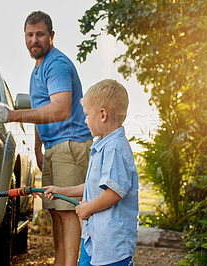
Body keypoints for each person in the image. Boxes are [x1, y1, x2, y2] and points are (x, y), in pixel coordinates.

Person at [0, 10, 93, 266]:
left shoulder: (56, 65)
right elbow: (41, 110)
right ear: (24, 37)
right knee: (56, 211)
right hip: (55, 147)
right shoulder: (38, 69)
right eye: (30, 35)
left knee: (69, 213)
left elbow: (60, 109)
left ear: (51, 36)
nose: (35, 40)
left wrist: (11, 115)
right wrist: (37, 147)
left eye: (40, 34)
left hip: (72, 144)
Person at [44, 79, 139, 266]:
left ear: (102, 114)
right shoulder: (102, 146)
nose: (85, 120)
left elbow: (115, 192)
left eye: (87, 114)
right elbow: (93, 186)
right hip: (95, 240)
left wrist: (88, 208)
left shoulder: (115, 148)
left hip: (112, 246)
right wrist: (61, 191)